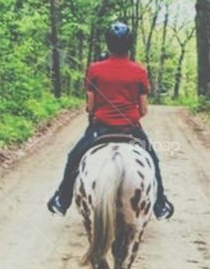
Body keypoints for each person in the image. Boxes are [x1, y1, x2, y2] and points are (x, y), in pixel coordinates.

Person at [47, 22, 174, 219]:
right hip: (131, 131)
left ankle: (62, 201)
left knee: (74, 157)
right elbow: (143, 109)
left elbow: (90, 106)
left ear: (108, 44)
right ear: (129, 45)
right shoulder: (139, 71)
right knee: (153, 160)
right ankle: (160, 205)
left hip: (101, 129)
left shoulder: (95, 69)